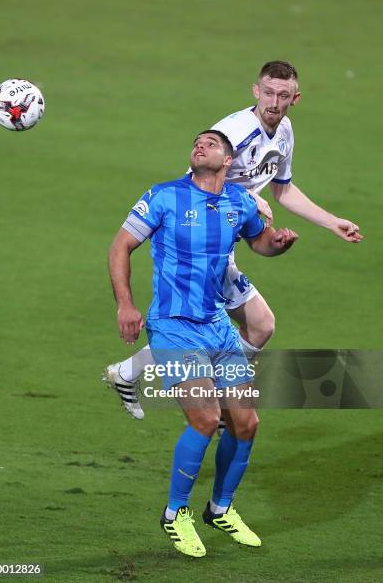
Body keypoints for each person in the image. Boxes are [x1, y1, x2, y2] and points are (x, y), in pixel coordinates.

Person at [104, 60, 363, 419]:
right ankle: (222, 407)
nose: (273, 102)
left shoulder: (284, 131)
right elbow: (195, 181)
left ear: (295, 99)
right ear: (256, 91)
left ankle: (129, 374)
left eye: (282, 96)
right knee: (243, 325)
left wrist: (331, 222)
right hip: (199, 243)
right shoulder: (237, 131)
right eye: (268, 93)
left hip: (224, 242)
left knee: (259, 326)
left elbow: (283, 190)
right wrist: (249, 198)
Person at [108, 129, 298, 557]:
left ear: (228, 161)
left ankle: (220, 508)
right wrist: (126, 305)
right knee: (206, 419)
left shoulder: (240, 203)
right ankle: (176, 513)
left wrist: (278, 244)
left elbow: (259, 241)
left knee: (246, 424)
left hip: (217, 327)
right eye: (196, 142)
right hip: (172, 326)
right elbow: (120, 246)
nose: (199, 145)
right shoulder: (163, 196)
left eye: (211, 144)